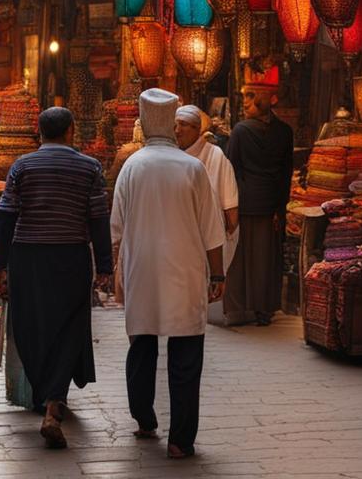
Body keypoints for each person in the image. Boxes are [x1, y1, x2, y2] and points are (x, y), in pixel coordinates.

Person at [112, 90, 226, 458]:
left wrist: (118, 270)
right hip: (185, 272)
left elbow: (116, 228)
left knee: (141, 346)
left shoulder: (132, 166)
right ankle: (180, 440)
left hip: (141, 269)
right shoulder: (192, 167)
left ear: (144, 123)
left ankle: (145, 419)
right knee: (186, 355)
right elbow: (212, 230)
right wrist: (218, 274)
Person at [0, 107, 112, 449]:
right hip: (71, 257)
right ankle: (53, 402)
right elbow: (98, 219)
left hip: (28, 258)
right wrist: (104, 266)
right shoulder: (89, 167)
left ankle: (50, 399)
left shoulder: (22, 167)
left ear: (38, 132)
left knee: (31, 325)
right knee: (69, 326)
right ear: (72, 130)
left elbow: (5, 217)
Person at [224, 68, 295, 326]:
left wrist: (229, 202)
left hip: (244, 202)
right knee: (266, 258)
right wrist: (281, 207)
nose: (245, 103)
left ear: (261, 102)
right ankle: (264, 308)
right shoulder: (284, 132)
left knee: (242, 257)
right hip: (270, 203)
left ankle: (240, 306)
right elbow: (286, 172)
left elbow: (231, 168)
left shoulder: (241, 132)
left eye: (250, 97)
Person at [176, 104, 240, 326]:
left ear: (196, 130)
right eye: (175, 125)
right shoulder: (174, 156)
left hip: (208, 231)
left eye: (184, 125)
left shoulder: (215, 155)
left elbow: (229, 200)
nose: (178, 130)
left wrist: (230, 226)